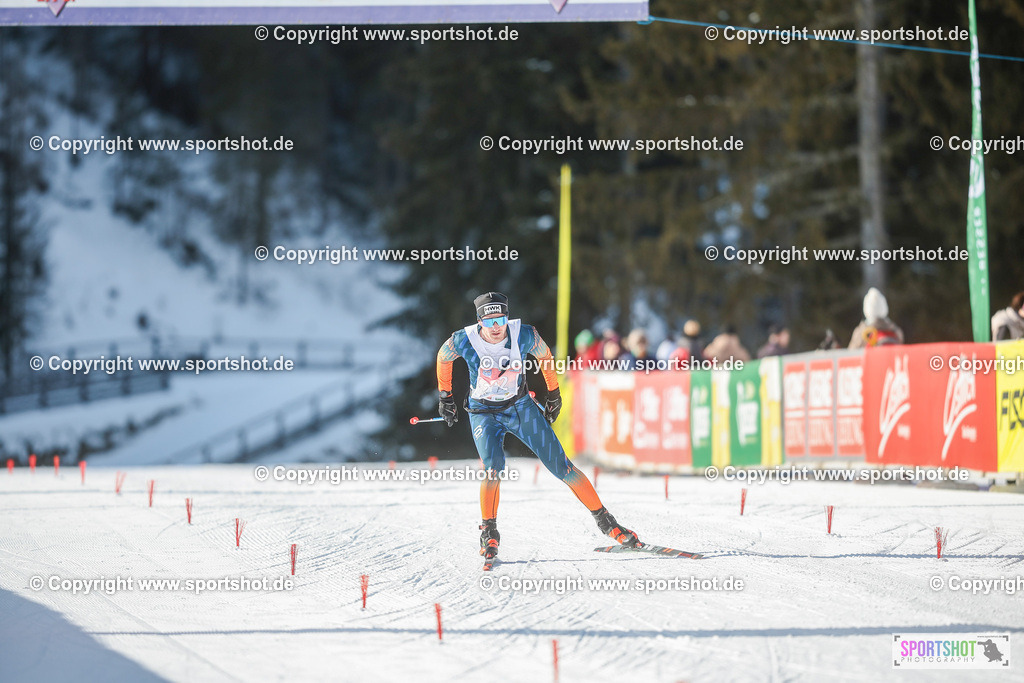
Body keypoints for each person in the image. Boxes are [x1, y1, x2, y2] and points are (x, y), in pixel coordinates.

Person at [435, 292, 641, 564]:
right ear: (479, 321)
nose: (496, 327)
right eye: (489, 321)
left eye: (501, 319)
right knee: (493, 468)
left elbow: (545, 357)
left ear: (507, 318)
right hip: (483, 413)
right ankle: (489, 532)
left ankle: (607, 523)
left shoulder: (524, 334)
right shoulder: (464, 339)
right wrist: (445, 396)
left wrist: (553, 393)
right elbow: (443, 357)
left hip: (520, 408)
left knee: (562, 467)